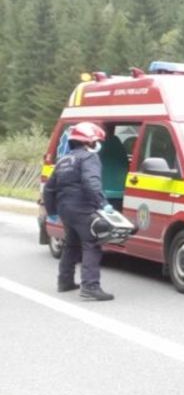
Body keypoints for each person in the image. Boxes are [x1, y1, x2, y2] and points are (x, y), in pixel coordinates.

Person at [42, 121, 116, 301]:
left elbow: (48, 188)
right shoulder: (89, 158)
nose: (98, 144)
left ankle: (65, 281)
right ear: (89, 142)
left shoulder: (64, 160)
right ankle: (90, 287)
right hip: (82, 208)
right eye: (97, 141)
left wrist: (52, 211)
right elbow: (92, 183)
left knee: (71, 243)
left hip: (65, 209)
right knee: (92, 243)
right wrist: (103, 203)